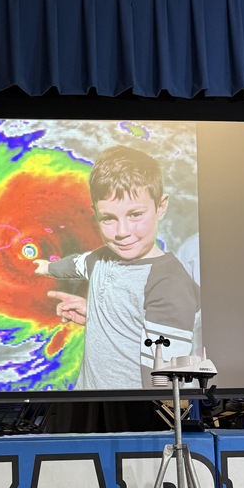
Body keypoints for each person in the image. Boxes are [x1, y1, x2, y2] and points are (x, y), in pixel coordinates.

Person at [34, 145, 200, 390]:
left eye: (135, 214)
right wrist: (48, 267)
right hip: (91, 406)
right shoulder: (102, 258)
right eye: (109, 218)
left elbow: (163, 380)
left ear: (160, 207)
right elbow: (77, 265)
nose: (122, 232)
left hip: (132, 418)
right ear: (96, 215)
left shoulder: (168, 284)